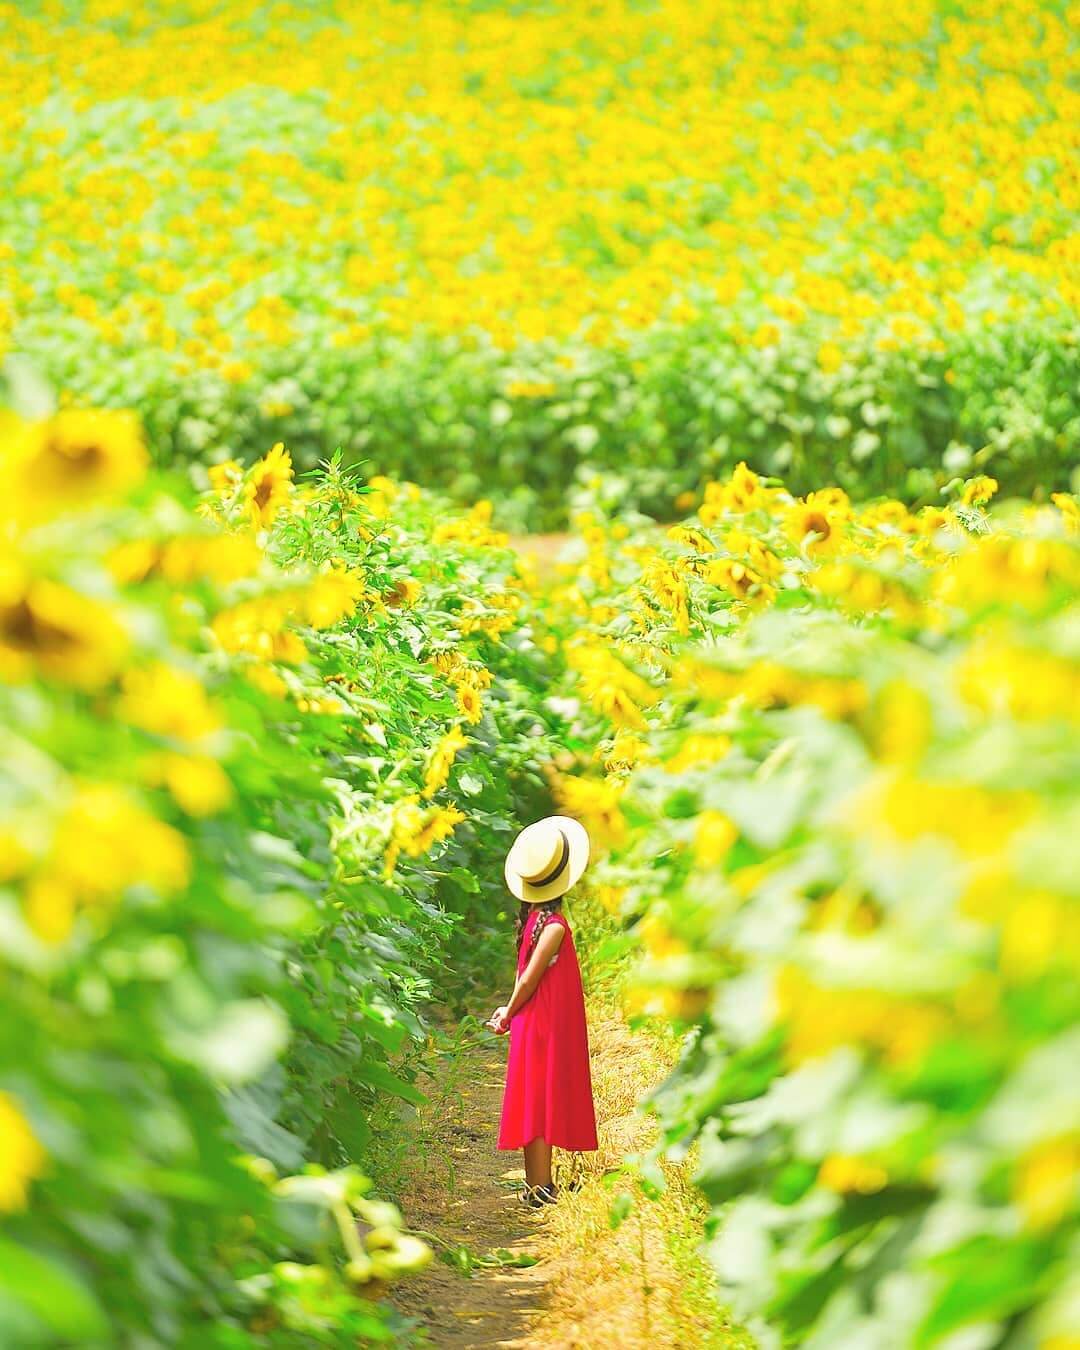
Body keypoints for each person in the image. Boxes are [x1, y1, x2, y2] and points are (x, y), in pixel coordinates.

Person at [487, 815, 599, 1207]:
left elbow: (525, 980)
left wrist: (508, 1011)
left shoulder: (534, 922)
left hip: (533, 1021)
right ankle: (538, 1187)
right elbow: (529, 981)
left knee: (535, 1100)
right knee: (540, 1102)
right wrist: (507, 1012)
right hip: (543, 1024)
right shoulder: (553, 927)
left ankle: (538, 1185)